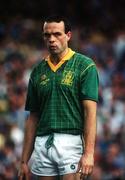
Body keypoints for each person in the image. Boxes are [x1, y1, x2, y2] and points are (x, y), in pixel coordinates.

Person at [18, 15, 99, 180]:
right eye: (47, 35)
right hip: (43, 143)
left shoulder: (85, 65)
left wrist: (89, 153)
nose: (51, 39)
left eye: (57, 34)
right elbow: (33, 117)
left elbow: (90, 112)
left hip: (71, 142)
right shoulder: (37, 71)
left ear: (68, 35)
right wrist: (24, 161)